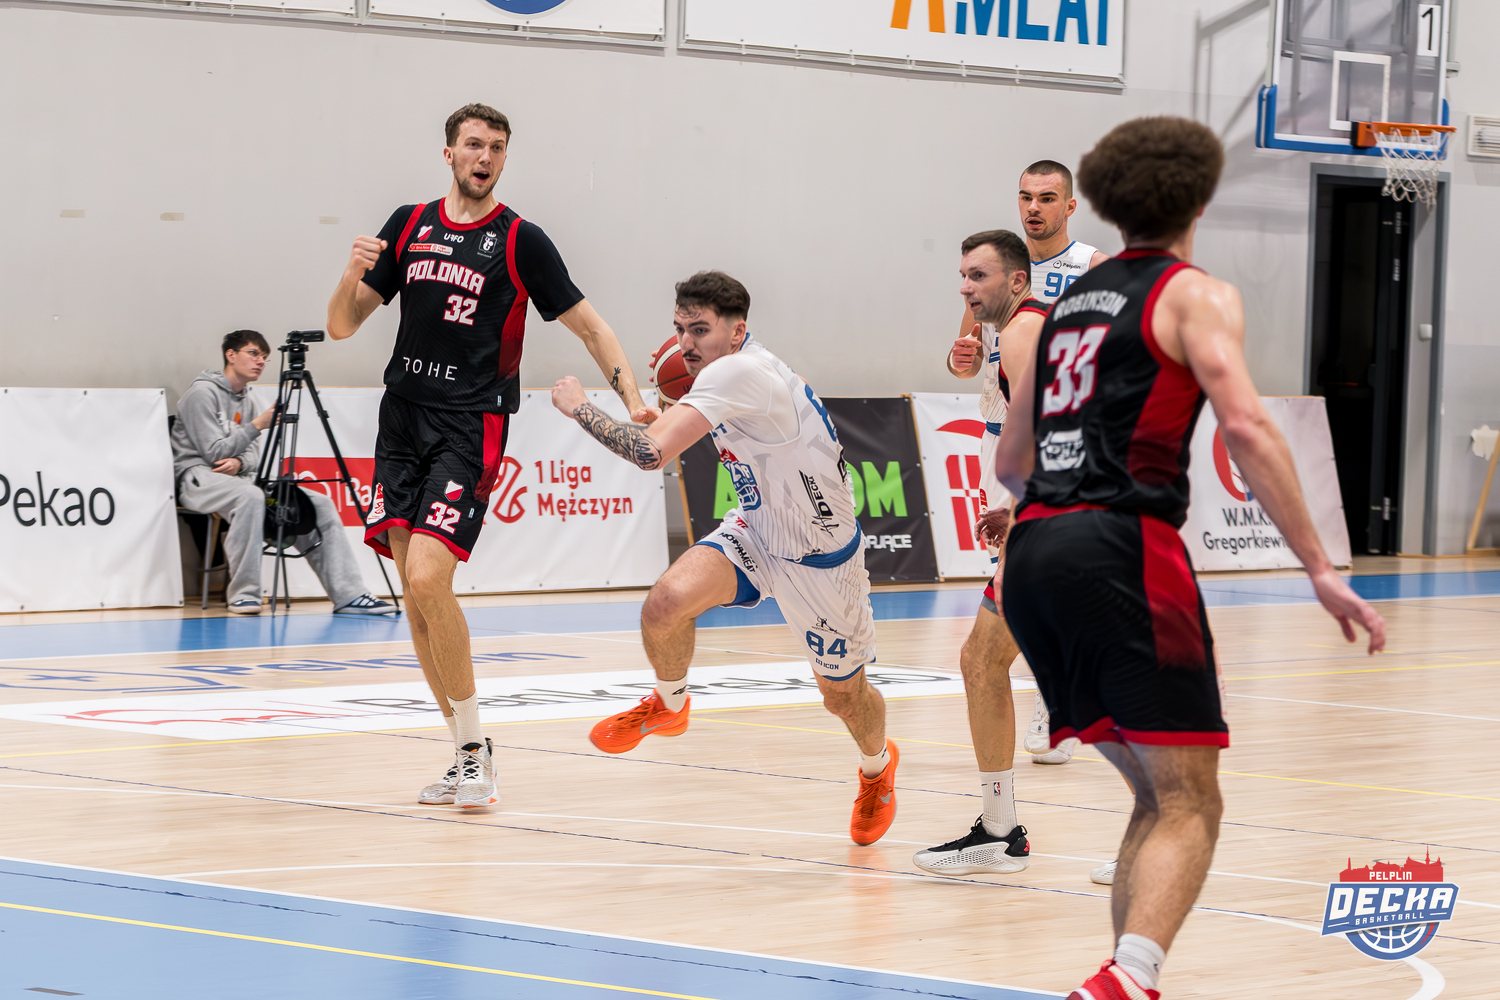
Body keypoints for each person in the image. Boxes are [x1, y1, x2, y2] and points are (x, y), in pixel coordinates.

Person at [994, 116, 1386, 1000]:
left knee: (1155, 793)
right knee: (1192, 800)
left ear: (1103, 204)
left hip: (1036, 552)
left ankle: (1125, 978)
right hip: (1122, 547)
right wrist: (1321, 568)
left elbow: (1012, 461)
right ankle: (1129, 982)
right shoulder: (1193, 293)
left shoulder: (1062, 309)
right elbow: (1245, 424)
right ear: (1201, 202)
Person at [326, 102, 646, 810]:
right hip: (400, 422)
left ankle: (474, 754)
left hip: (470, 426)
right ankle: (467, 750)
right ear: (449, 153)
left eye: (497, 147)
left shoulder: (521, 239)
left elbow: (592, 328)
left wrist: (632, 398)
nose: (486, 157)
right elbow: (341, 326)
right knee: (416, 597)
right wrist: (349, 274)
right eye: (474, 144)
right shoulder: (409, 224)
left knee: (429, 576)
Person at [551, 271, 899, 846]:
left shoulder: (739, 372)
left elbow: (648, 455)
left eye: (701, 330)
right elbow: (681, 425)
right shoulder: (727, 367)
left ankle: (877, 768)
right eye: (680, 328)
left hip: (820, 560)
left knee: (842, 698)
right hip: (757, 529)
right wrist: (663, 409)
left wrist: (579, 408)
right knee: (665, 604)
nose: (687, 343)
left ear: (737, 332)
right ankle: (669, 705)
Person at [954, 160, 1108, 767]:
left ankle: (1056, 696)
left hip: (1052, 438)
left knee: (1032, 575)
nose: (1034, 207)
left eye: (1046, 198)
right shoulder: (994, 269)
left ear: (1069, 206)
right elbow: (965, 359)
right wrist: (962, 359)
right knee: (1016, 575)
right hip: (997, 434)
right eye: (1025, 197)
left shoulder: (1092, 268)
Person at [912, 231, 1046, 876]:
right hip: (1055, 514)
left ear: (1016, 281)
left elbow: (1057, 426)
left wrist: (1023, 507)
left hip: (1058, 522)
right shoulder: (1011, 329)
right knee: (984, 660)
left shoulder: (1024, 333)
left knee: (990, 662)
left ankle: (1002, 830)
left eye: (978, 277)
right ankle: (999, 829)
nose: (965, 288)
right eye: (963, 276)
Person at [172, 330, 398, 618]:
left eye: (265, 357)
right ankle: (244, 594)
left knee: (319, 504)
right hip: (198, 477)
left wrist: (240, 462)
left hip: (239, 478)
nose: (260, 361)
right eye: (253, 353)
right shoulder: (201, 394)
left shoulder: (247, 400)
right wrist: (257, 426)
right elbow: (213, 453)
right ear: (231, 355)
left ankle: (350, 594)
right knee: (251, 497)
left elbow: (254, 456)